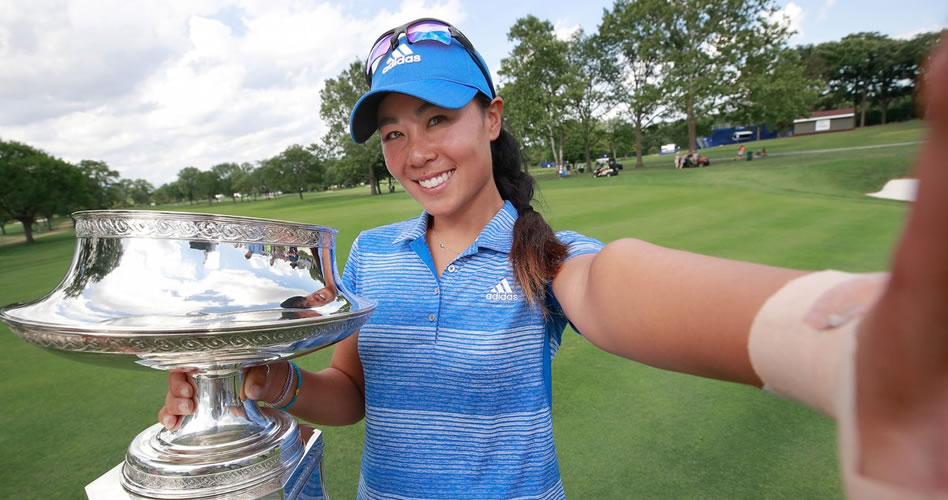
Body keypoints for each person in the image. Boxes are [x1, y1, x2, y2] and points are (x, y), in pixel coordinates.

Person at [159, 18, 948, 499]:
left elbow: (613, 288)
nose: (416, 151)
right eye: (394, 132)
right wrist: (267, 381)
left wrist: (838, 341)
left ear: (491, 116)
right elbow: (353, 396)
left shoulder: (546, 255)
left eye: (437, 118)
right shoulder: (372, 255)